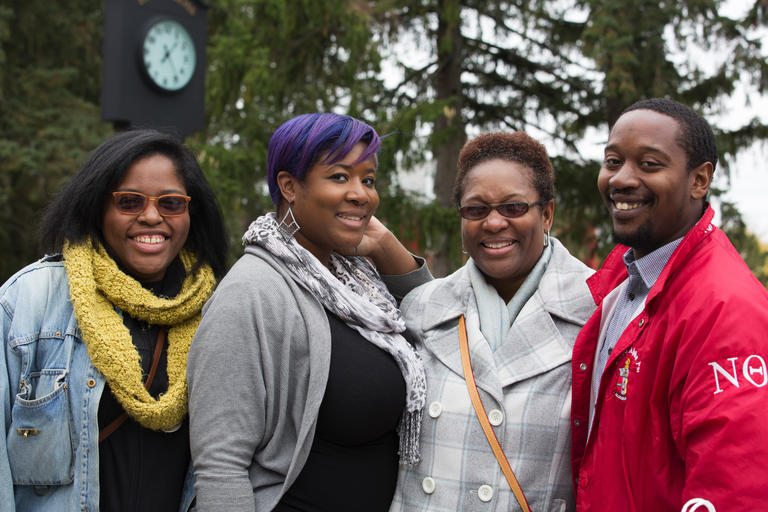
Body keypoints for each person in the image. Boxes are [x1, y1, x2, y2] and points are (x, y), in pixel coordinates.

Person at [187, 113, 432, 512]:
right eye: (339, 177)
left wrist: (386, 244)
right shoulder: (252, 291)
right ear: (289, 186)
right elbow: (220, 464)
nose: (361, 194)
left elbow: (433, 323)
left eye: (368, 180)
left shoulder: (355, 279)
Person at [0, 129, 229, 511]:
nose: (152, 216)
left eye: (171, 203)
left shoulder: (217, 310)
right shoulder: (30, 300)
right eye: (129, 202)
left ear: (192, 213)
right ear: (97, 208)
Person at [570, 98, 768, 511]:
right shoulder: (625, 288)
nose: (621, 179)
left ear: (699, 181)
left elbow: (734, 490)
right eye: (612, 161)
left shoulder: (725, 309)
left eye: (650, 164)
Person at [389, 132, 595, 512]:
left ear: (547, 213)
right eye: (476, 210)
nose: (494, 222)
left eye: (514, 207)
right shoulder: (420, 309)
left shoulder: (598, 310)